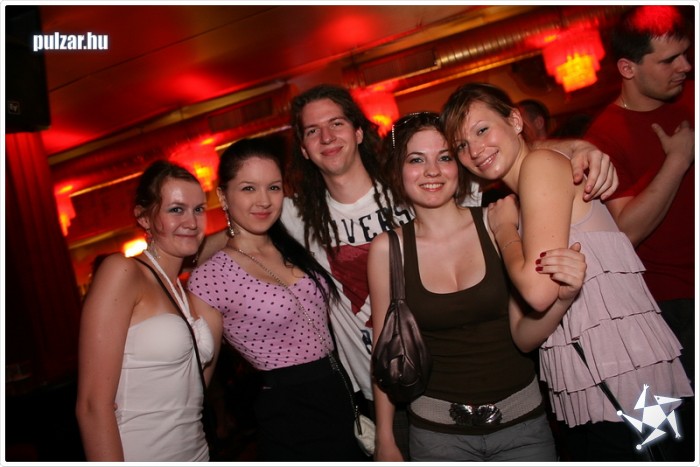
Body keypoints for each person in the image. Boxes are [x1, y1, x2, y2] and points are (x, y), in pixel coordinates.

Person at [198, 83, 618, 458]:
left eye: (337, 123)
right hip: (383, 391)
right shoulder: (293, 214)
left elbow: (502, 156)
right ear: (304, 150)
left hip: (495, 395)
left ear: (359, 131)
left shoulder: (420, 179)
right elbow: (242, 219)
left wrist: (575, 148)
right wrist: (184, 243)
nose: (327, 137)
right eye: (312, 130)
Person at [442, 82, 693, 461]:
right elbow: (524, 336)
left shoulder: (540, 169)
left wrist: (504, 231)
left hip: (631, 382)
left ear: (515, 121)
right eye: (462, 145)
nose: (475, 150)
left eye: (482, 130)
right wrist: (562, 297)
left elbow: (537, 292)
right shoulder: (521, 207)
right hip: (598, 390)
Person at [368, 111, 588, 462]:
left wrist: (563, 299)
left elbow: (525, 334)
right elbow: (384, 349)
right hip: (438, 438)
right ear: (398, 171)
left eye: (444, 157)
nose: (432, 171)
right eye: (416, 160)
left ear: (459, 166)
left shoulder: (497, 223)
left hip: (524, 429)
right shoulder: (387, 249)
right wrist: (385, 438)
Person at [187, 137, 367, 461]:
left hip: (339, 392)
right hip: (289, 413)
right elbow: (201, 372)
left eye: (273, 187)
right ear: (222, 196)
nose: (264, 200)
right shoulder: (211, 277)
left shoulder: (290, 242)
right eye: (248, 188)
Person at [76, 161, 223, 461]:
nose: (192, 222)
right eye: (176, 209)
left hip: (197, 454)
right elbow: (92, 406)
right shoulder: (123, 272)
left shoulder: (182, 291)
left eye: (198, 209)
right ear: (144, 217)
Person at [584, 4, 695, 388]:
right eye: (669, 61)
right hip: (677, 302)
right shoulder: (604, 138)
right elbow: (626, 230)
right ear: (628, 69)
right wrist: (677, 160)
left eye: (685, 54)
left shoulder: (692, 96)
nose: (685, 66)